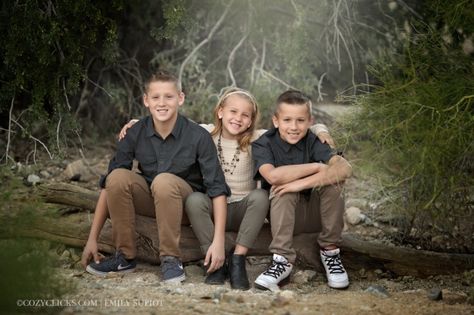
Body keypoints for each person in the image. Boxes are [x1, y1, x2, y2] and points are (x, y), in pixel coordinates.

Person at [116, 87, 335, 290]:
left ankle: (238, 258)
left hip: (243, 209)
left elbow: (292, 125)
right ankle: (212, 258)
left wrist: (321, 129)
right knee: (194, 200)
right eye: (233, 112)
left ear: (251, 121)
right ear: (220, 112)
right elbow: (170, 121)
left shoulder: (258, 138)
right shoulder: (204, 133)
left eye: (245, 115)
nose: (238, 119)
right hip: (212, 209)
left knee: (260, 196)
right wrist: (138, 122)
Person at [80, 70, 230, 284]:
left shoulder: (198, 136)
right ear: (146, 100)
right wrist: (92, 239)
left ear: (180, 98)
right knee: (117, 177)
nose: (162, 103)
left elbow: (218, 190)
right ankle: (125, 256)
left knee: (164, 181)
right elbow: (109, 186)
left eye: (169, 96)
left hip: (186, 208)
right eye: (155, 97)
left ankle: (170, 258)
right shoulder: (135, 132)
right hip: (152, 199)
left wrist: (218, 241)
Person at [252, 90, 352, 291]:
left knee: (334, 182)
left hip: (317, 216)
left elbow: (345, 168)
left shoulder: (314, 141)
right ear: (276, 120)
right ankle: (282, 261)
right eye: (287, 120)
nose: (294, 127)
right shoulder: (264, 143)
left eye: (300, 120)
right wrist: (316, 167)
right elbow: (273, 176)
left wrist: (299, 183)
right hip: (286, 216)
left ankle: (330, 252)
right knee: (282, 188)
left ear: (309, 121)